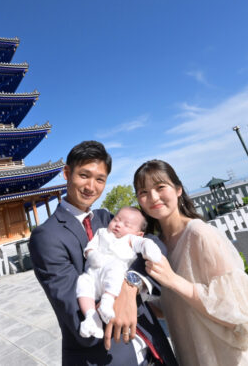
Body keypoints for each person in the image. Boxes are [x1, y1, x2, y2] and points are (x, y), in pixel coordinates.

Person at [29, 141, 177, 366]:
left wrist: (130, 286)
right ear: (67, 173)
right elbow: (75, 311)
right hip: (108, 356)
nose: (91, 186)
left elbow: (152, 242)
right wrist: (117, 300)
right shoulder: (47, 236)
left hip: (154, 347)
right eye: (84, 175)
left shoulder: (107, 219)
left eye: (100, 179)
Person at [134, 159, 248, 366]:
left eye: (160, 187)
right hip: (194, 351)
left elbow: (237, 309)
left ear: (178, 189)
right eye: (143, 192)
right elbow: (173, 306)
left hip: (233, 356)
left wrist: (173, 280)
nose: (153, 197)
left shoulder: (200, 233)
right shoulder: (155, 246)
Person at [77, 207, 162, 339]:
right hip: (94, 275)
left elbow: (145, 243)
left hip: (114, 279)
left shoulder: (130, 239)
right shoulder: (101, 232)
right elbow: (90, 248)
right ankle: (91, 318)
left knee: (115, 269)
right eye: (116, 220)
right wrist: (92, 255)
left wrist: (149, 249)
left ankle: (107, 300)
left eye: (126, 225)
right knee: (83, 283)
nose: (118, 224)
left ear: (138, 233)